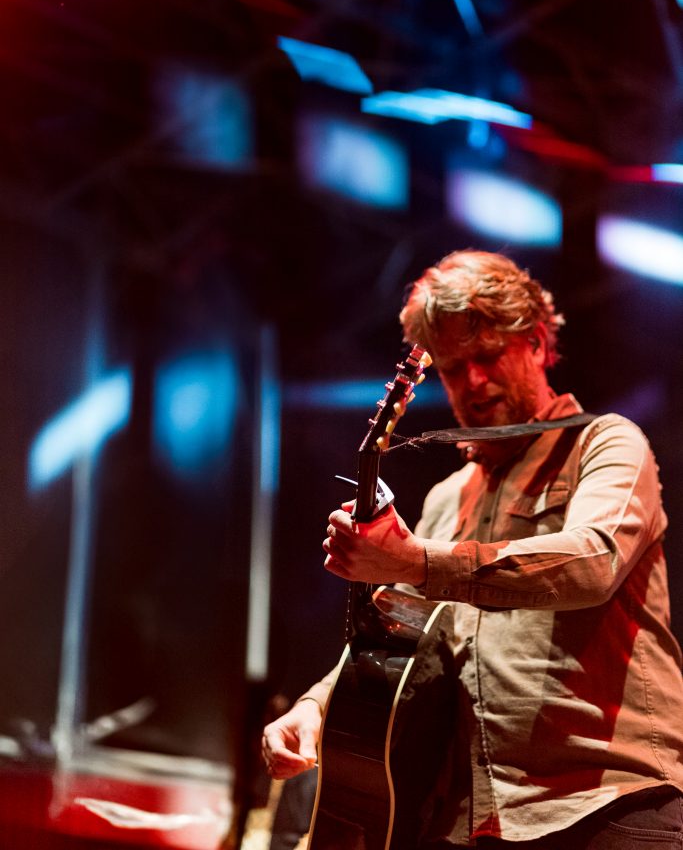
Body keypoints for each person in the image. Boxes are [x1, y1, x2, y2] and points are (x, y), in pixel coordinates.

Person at [262, 249, 683, 848]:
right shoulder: (446, 498)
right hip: (471, 821)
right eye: (454, 368)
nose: (473, 383)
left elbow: (594, 562)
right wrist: (314, 708)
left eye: (488, 356)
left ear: (536, 342)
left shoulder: (608, 442)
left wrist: (418, 561)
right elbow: (395, 635)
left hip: (609, 804)